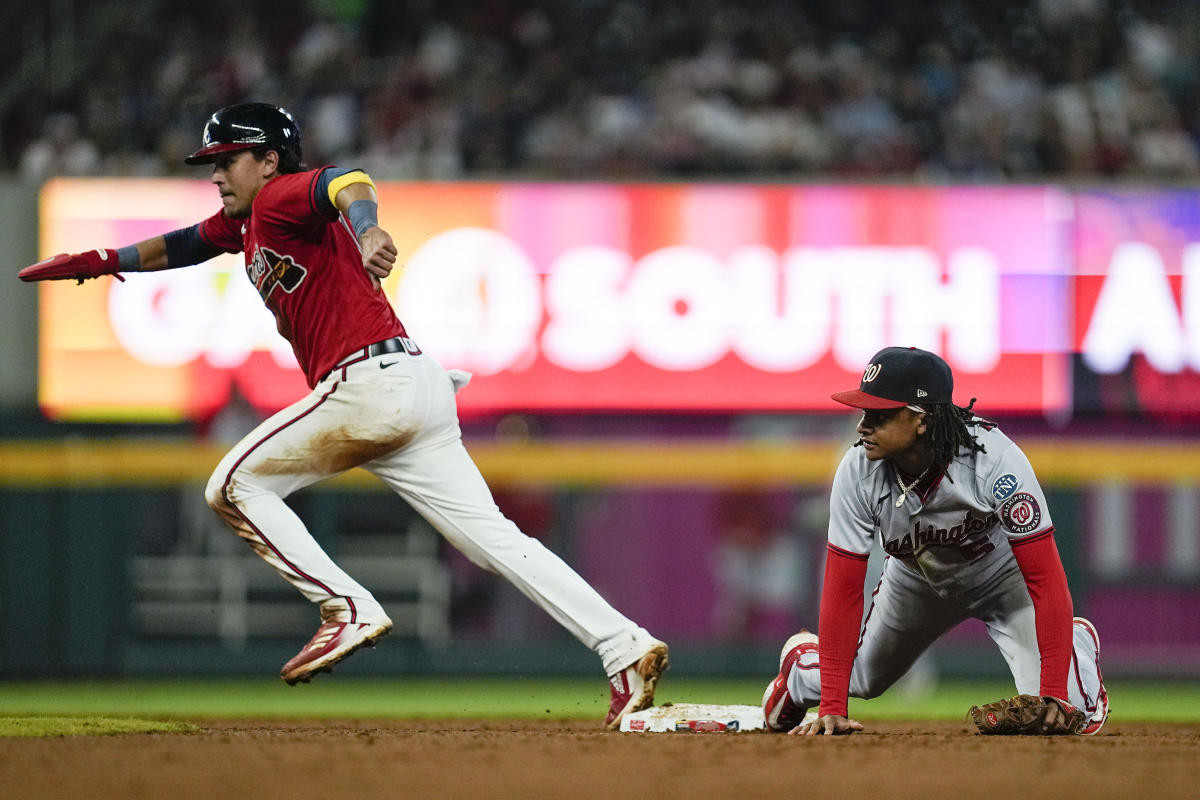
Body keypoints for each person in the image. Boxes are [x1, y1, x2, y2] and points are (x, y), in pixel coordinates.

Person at [18, 102, 668, 729]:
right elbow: (186, 244)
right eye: (210, 162)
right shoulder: (242, 223)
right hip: (415, 387)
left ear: (269, 161)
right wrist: (105, 262)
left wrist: (369, 228)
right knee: (497, 542)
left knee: (233, 486)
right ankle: (624, 646)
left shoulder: (279, 195)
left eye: (228, 159)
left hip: (368, 383)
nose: (214, 173)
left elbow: (344, 180)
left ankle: (346, 608)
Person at [761, 346, 1108, 735]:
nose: (862, 426)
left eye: (879, 415)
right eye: (864, 412)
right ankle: (800, 670)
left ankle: (1074, 640)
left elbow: (1045, 579)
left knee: (1068, 715)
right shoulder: (857, 470)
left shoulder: (994, 461)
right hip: (916, 579)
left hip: (1003, 582)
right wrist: (831, 706)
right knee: (862, 680)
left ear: (921, 420)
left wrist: (1053, 693)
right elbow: (843, 590)